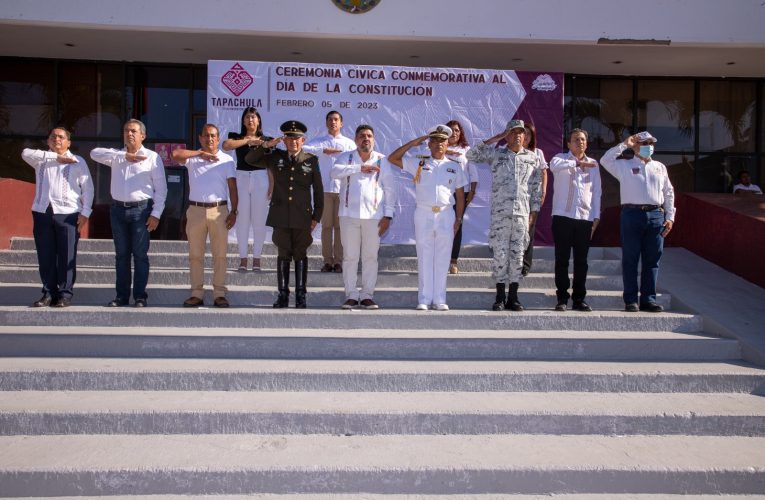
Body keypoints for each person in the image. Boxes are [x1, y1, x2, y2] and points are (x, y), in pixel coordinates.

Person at [466, 119, 543, 312]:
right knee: (500, 256)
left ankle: (514, 297)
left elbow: (535, 190)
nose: (517, 135)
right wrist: (495, 138)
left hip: (521, 216)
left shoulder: (532, 158)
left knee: (517, 258)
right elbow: (471, 154)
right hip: (500, 217)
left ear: (525, 136)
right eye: (513, 132)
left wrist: (533, 215)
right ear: (507, 135)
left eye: (520, 132)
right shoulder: (497, 154)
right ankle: (500, 297)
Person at [388, 124, 466, 311]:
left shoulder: (454, 166)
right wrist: (414, 143)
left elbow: (461, 194)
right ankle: (423, 298)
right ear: (429, 144)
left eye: (443, 141)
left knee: (443, 257)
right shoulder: (419, 162)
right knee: (424, 255)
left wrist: (459, 219)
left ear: (448, 144)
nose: (439, 144)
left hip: (446, 213)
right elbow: (393, 158)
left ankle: (439, 298)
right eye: (435, 140)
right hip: (423, 213)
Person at [90, 119, 167, 308]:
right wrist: (123, 157)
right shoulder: (116, 155)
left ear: (143, 135)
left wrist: (156, 214)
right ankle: (121, 296)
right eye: (126, 131)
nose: (129, 134)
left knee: (140, 255)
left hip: (141, 211)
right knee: (121, 255)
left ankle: (140, 296)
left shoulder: (152, 157)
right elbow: (94, 153)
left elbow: (161, 189)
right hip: (117, 210)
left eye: (133, 131)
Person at [246, 120, 323, 309]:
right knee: (283, 255)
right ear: (284, 140)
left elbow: (319, 191)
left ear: (303, 140)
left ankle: (300, 296)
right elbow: (250, 160)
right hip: (280, 216)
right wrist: (266, 145)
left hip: (302, 218)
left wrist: (316, 217)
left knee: (300, 255)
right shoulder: (275, 157)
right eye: (289, 138)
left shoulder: (311, 160)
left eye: (297, 139)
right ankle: (282, 295)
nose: (293, 142)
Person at [600, 131, 675, 313]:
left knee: (652, 260)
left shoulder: (660, 167)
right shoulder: (624, 165)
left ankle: (648, 299)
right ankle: (631, 300)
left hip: (656, 215)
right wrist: (624, 144)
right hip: (632, 214)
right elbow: (605, 160)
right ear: (635, 145)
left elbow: (668, 192)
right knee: (630, 259)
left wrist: (670, 217)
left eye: (651, 143)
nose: (649, 146)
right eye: (644, 143)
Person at [21, 127, 94, 308]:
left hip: (68, 214)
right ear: (48, 141)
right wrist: (55, 157)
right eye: (53, 136)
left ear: (68, 142)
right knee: (45, 256)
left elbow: (88, 188)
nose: (57, 139)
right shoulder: (41, 160)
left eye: (61, 137)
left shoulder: (78, 161)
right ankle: (48, 294)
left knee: (66, 255)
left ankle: (65, 294)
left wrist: (85, 213)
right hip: (42, 212)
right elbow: (24, 152)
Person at [172, 124, 238, 308]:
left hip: (219, 211)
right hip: (196, 211)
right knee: (195, 255)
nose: (210, 139)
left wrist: (234, 211)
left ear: (218, 139)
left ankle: (219, 293)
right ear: (201, 138)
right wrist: (199, 154)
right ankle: (196, 293)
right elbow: (175, 154)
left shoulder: (226, 160)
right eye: (206, 136)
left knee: (220, 255)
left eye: (213, 136)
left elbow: (232, 187)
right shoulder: (193, 158)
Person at [330, 124, 396, 310]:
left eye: (369, 136)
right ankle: (351, 295)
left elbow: (390, 190)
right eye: (361, 136)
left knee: (370, 257)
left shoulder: (382, 161)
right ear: (356, 139)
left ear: (374, 139)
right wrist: (359, 168)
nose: (365, 139)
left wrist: (388, 216)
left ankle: (367, 295)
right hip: (348, 216)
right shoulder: (346, 157)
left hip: (374, 217)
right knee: (350, 257)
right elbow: (333, 173)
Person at [549, 128, 602, 312]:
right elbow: (553, 167)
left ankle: (579, 299)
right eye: (576, 140)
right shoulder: (560, 159)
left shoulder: (593, 164)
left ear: (586, 143)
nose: (580, 142)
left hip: (584, 218)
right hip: (562, 216)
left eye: (582, 140)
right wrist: (576, 164)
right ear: (569, 144)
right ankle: (562, 298)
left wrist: (596, 216)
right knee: (561, 259)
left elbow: (597, 192)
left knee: (581, 261)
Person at [304, 110, 356, 273]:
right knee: (326, 226)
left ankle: (339, 261)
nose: (333, 122)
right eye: (330, 120)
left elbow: (356, 161)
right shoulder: (319, 142)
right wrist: (322, 151)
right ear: (326, 123)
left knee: (340, 227)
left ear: (341, 123)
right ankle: (327, 261)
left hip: (344, 190)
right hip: (324, 189)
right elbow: (303, 148)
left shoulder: (349, 144)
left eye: (336, 120)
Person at [222, 107, 273, 272]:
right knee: (242, 220)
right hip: (242, 177)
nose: (250, 120)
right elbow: (226, 146)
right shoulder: (236, 137)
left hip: (261, 178)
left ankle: (257, 258)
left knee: (259, 221)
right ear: (243, 121)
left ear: (258, 120)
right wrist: (248, 141)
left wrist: (272, 185)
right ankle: (243, 259)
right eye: (247, 117)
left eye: (253, 117)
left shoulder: (267, 139)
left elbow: (270, 164)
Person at [445, 119, 478, 275]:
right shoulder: (438, 146)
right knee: (441, 225)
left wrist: (472, 191)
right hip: (442, 192)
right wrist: (447, 151)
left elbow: (473, 172)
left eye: (457, 130)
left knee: (457, 225)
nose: (454, 132)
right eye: (451, 130)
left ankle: (453, 261)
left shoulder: (466, 149)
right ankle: (440, 259)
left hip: (461, 192)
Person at [521, 122, 549, 276]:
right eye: (522, 133)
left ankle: (525, 264)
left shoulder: (538, 152)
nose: (525, 137)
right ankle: (514, 262)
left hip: (533, 198)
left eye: (528, 134)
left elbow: (544, 172)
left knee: (529, 230)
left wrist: (543, 191)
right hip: (516, 199)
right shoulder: (510, 151)